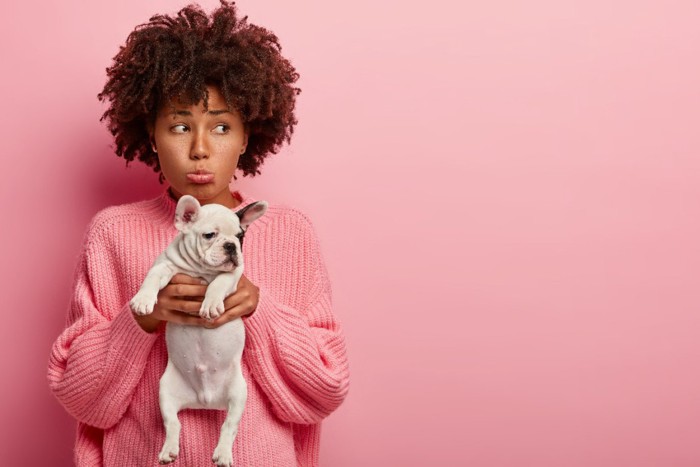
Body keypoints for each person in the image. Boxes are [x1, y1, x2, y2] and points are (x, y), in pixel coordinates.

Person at [46, 1, 350, 465]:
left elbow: (325, 389)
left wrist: (258, 309)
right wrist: (142, 320)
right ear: (151, 134)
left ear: (248, 136)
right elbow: (79, 396)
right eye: (180, 125)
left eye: (222, 126)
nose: (201, 149)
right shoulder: (112, 233)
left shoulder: (290, 233)